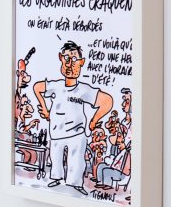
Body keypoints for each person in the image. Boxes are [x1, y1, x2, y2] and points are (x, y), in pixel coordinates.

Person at [33, 41, 113, 193]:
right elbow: (37, 87)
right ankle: (56, 178)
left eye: (75, 59)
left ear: (81, 62)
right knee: (55, 158)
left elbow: (107, 101)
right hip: (56, 133)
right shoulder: (55, 86)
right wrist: (45, 108)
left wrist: (94, 121)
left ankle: (75, 183)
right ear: (60, 58)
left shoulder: (84, 89)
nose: (70, 64)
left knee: (76, 161)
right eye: (66, 58)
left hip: (77, 134)